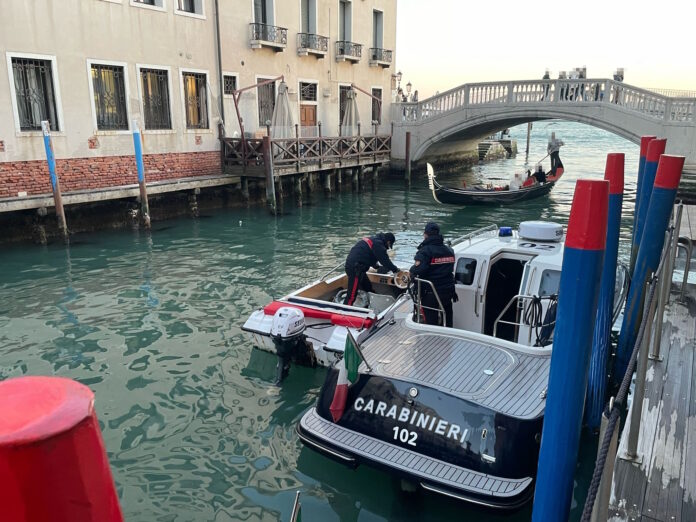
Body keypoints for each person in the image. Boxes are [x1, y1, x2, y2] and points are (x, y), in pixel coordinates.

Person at [409, 222, 457, 327]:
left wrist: (412, 270)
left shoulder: (425, 251)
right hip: (448, 290)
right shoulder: (449, 250)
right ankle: (449, 339)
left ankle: (432, 341)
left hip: (431, 293)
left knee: (431, 322)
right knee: (447, 318)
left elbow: (419, 270)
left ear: (425, 234)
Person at [343, 232, 398, 306]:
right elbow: (385, 261)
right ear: (388, 242)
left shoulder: (374, 240)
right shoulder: (379, 245)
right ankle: (344, 312)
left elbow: (369, 255)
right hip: (355, 269)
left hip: (358, 267)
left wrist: (376, 266)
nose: (388, 247)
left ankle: (371, 305)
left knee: (368, 287)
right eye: (389, 245)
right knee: (351, 295)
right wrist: (396, 270)